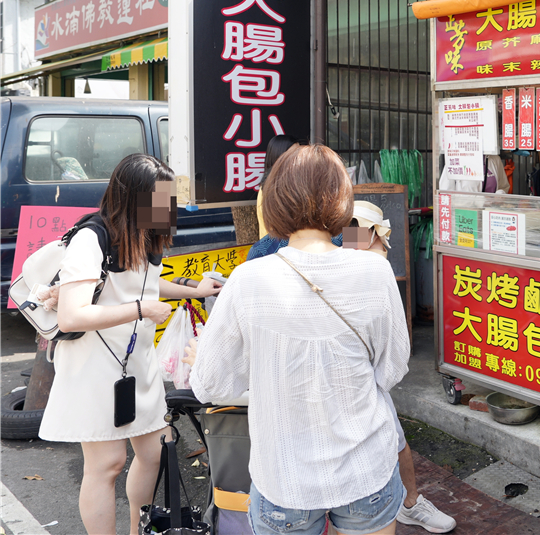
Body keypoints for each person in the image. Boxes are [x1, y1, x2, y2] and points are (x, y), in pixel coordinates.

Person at [187, 144, 411, 535]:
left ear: (274, 201)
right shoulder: (375, 271)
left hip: (284, 478)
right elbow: (392, 369)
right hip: (365, 470)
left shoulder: (248, 279)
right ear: (343, 199)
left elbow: (210, 385)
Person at [37, 153, 225, 535]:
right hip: (94, 364)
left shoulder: (146, 232)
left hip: (136, 361)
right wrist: (140, 310)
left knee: (154, 452)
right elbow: (73, 315)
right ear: (133, 197)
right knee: (106, 463)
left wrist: (191, 287)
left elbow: (147, 285)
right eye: (161, 198)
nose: (167, 207)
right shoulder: (92, 237)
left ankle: (138, 529)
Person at [343, 201, 456, 533]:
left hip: (364, 375)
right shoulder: (367, 265)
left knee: (392, 437)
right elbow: (395, 361)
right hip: (356, 377)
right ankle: (404, 502)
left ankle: (409, 501)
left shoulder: (359, 261)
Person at [256, 133, 299, 237]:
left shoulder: (273, 185)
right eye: (293, 155)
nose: (299, 158)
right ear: (279, 157)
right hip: (279, 249)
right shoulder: (274, 190)